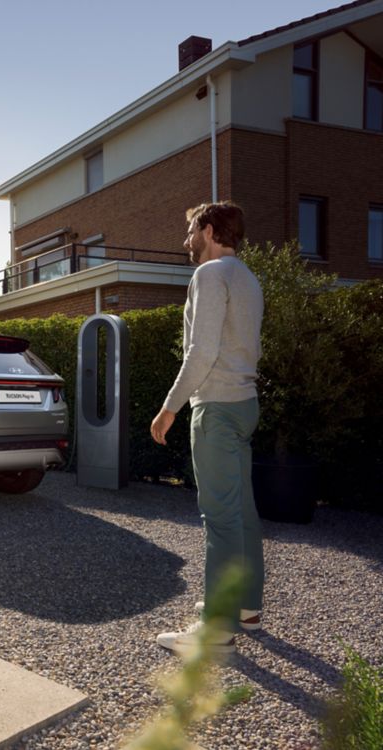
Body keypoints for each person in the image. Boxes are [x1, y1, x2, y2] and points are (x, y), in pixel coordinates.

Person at [151, 201, 264, 655]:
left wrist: (169, 407)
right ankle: (247, 608)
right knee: (243, 510)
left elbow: (201, 352)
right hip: (244, 405)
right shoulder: (249, 278)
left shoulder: (210, 275)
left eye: (192, 231)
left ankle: (216, 629)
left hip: (216, 407)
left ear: (211, 230)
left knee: (218, 517)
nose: (186, 241)